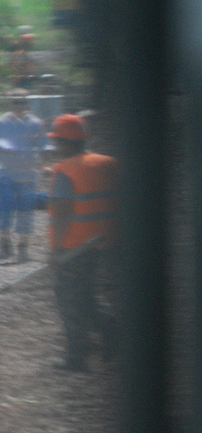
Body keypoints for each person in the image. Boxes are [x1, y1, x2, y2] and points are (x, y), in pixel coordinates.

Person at [48, 114, 119, 371]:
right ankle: (113, 332)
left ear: (65, 143)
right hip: (104, 241)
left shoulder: (66, 170)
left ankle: (77, 357)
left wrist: (54, 251)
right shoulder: (108, 163)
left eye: (56, 141)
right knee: (87, 292)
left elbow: (64, 214)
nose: (55, 147)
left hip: (74, 246)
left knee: (68, 299)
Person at [0, 89, 45, 262]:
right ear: (10, 103)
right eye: (16, 101)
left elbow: (43, 147)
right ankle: (5, 243)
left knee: (26, 211)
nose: (19, 105)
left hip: (28, 175)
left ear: (27, 103)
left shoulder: (35, 123)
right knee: (4, 210)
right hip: (6, 173)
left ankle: (23, 247)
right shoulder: (2, 122)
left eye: (22, 101)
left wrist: (42, 167)